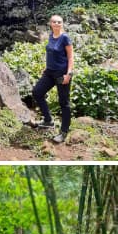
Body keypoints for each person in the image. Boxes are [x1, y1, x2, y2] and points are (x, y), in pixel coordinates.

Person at [32, 14, 74, 143]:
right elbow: (50, 52)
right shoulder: (51, 36)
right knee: (37, 92)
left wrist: (69, 74)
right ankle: (48, 120)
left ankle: (64, 132)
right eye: (54, 22)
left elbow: (70, 57)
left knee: (64, 102)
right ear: (50, 24)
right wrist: (46, 66)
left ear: (62, 24)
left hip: (61, 74)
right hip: (49, 72)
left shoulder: (65, 38)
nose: (57, 24)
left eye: (59, 22)